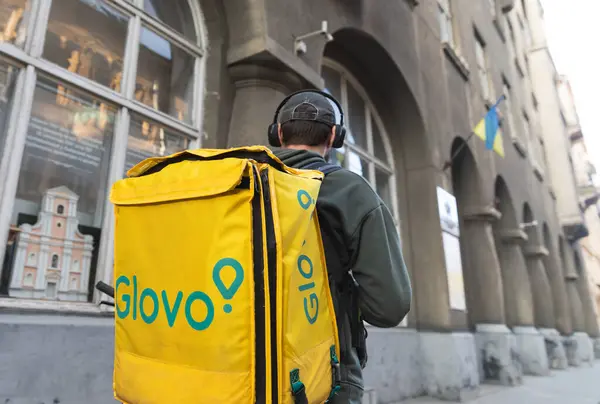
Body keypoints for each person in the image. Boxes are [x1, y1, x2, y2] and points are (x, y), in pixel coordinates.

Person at [269, 90, 412, 403]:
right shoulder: (349, 191)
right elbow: (390, 307)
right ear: (334, 136)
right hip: (321, 378)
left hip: (238, 369)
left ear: (278, 133)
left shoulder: (240, 180)